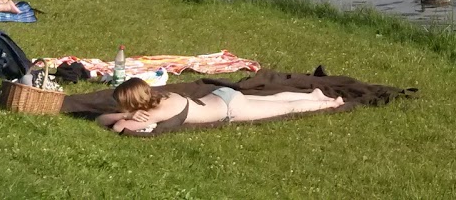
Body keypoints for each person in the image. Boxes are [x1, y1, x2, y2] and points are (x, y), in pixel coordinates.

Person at [96, 77, 342, 134]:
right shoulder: (162, 97)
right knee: (273, 100)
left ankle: (328, 104)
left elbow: (116, 126)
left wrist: (123, 115)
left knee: (285, 108)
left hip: (231, 109)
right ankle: (314, 94)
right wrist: (131, 112)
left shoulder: (160, 110)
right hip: (222, 95)